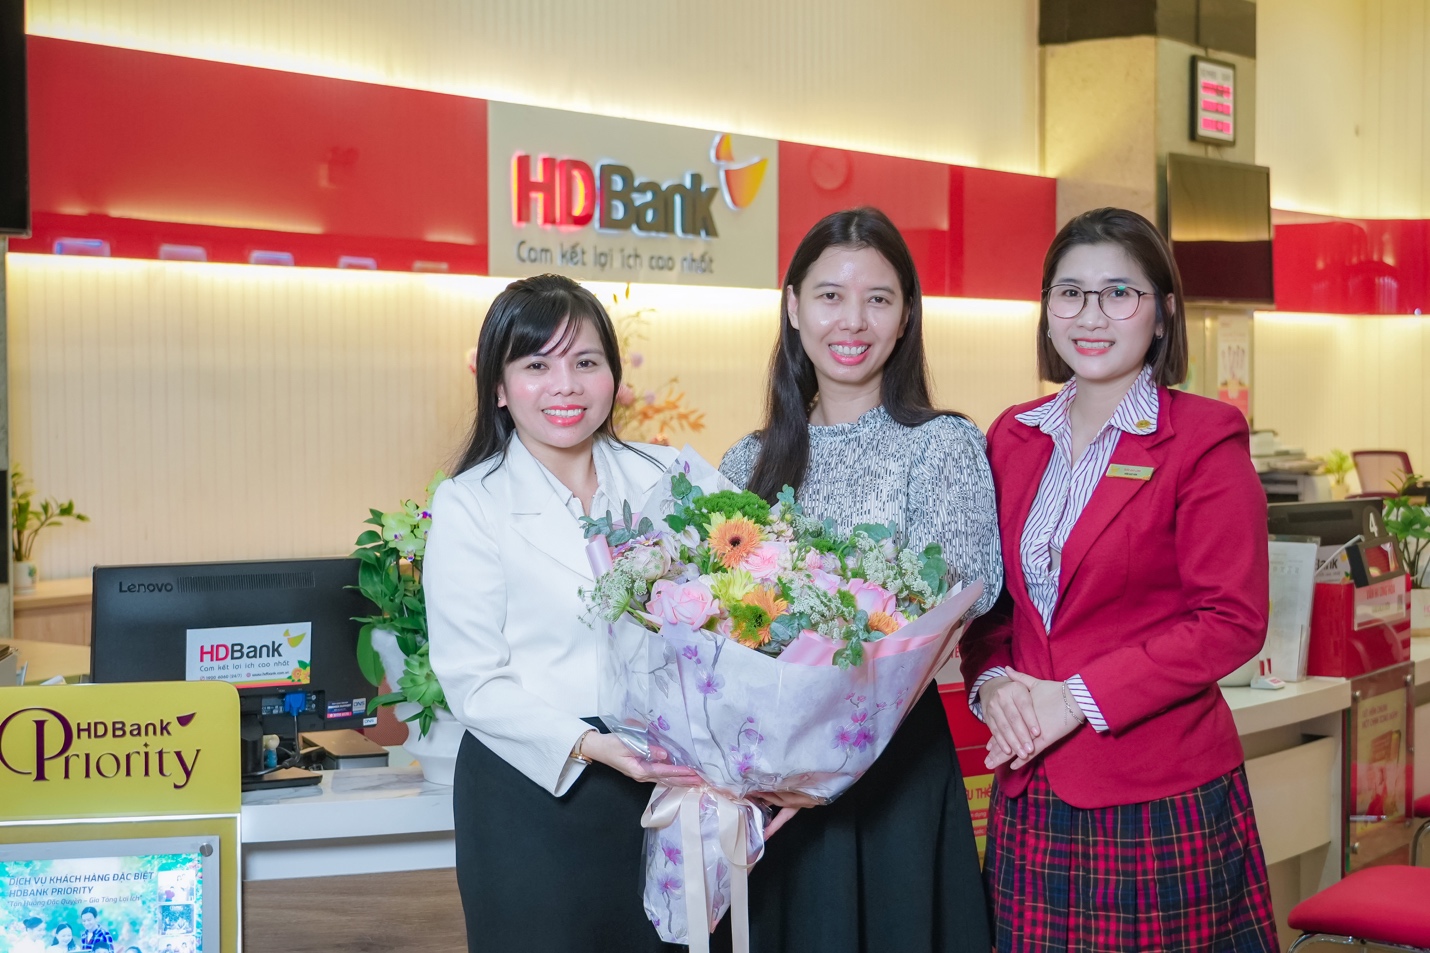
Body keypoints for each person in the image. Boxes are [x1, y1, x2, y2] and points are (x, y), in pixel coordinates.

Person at [960, 207, 1278, 952]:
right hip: (1032, 786)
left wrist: (1077, 698)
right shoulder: (1012, 435)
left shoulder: (1202, 437)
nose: (1090, 315)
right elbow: (989, 603)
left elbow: (1230, 619)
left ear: (1162, 313)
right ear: (1047, 310)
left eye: (1119, 293)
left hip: (1154, 790)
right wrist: (994, 684)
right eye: (1070, 293)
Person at [717, 206, 999, 953]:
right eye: (830, 296)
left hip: (891, 774)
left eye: (878, 298)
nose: (853, 320)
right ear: (793, 307)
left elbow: (959, 603)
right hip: (769, 784)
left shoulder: (942, 446)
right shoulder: (745, 462)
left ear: (905, 317)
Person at [426, 273, 701, 953]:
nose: (565, 386)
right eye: (536, 365)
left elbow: (729, 612)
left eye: (585, 362)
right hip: (532, 790)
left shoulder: (671, 477)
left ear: (614, 376)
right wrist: (593, 744)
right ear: (498, 386)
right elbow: (474, 682)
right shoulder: (470, 502)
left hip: (668, 779)